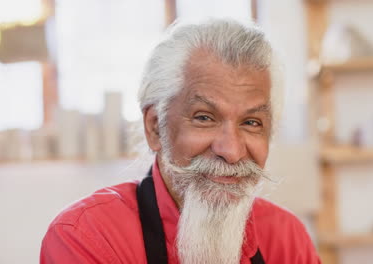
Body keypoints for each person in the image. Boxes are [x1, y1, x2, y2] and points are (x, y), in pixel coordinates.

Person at [40, 19, 321, 264]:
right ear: (155, 128)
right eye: (204, 118)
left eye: (251, 123)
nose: (232, 151)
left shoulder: (286, 238)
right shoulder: (86, 237)